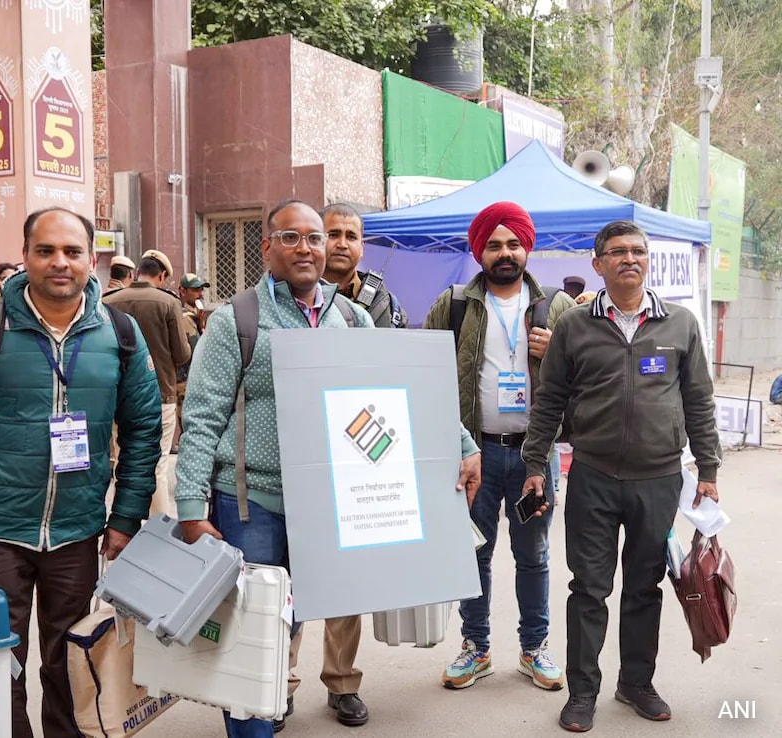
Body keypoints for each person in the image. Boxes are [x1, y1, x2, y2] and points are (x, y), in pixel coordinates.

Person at [174, 200, 481, 737]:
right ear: (267, 246)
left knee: (313, 611)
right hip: (254, 504)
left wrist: (462, 443)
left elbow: (402, 389)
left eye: (315, 238)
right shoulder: (237, 320)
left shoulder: (351, 317)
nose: (307, 248)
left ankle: (335, 687)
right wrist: (190, 507)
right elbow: (200, 418)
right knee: (255, 633)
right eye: (291, 238)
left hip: (333, 503)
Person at [0, 207, 162, 738]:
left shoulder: (119, 333)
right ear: (25, 256)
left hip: (76, 530)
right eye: (45, 250)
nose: (59, 263)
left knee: (68, 663)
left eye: (72, 252)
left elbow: (143, 432)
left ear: (91, 260)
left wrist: (126, 517)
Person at [520, 220, 721, 733]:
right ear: (598, 263)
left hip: (658, 479)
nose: (629, 259)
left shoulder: (680, 324)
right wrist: (534, 463)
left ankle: (636, 683)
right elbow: (551, 400)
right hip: (593, 476)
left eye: (638, 251)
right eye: (617, 252)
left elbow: (698, 400)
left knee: (644, 587)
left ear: (647, 260)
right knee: (588, 588)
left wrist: (709, 468)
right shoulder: (576, 326)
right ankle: (582, 692)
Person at [423, 201, 575, 693]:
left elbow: (590, 378)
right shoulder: (455, 304)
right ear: (479, 251)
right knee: (475, 554)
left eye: (513, 243)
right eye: (494, 245)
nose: (504, 253)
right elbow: (425, 372)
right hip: (476, 454)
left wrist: (556, 357)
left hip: (536, 456)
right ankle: (476, 647)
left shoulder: (559, 308)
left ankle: (534, 649)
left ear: (527, 248)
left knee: (534, 556)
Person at [282, 202, 412, 728]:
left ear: (361, 245)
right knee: (283, 583)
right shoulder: (276, 296)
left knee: (345, 583)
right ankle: (280, 682)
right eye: (327, 234)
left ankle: (341, 683)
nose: (337, 243)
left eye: (348, 235)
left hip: (358, 458)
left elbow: (402, 373)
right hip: (291, 459)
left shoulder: (379, 300)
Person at [104, 250, 192, 515]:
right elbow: (182, 354)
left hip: (119, 398)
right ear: (162, 275)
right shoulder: (166, 302)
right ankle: (157, 537)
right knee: (158, 467)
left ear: (136, 272)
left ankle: (123, 528)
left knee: (123, 463)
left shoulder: (109, 300)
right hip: (160, 395)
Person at [322, 202, 408, 329]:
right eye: (333, 235)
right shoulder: (295, 299)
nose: (342, 244)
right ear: (315, 240)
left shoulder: (389, 307)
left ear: (362, 247)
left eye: (351, 237)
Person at [174, 273, 209, 452]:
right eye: (195, 290)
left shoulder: (193, 315)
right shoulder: (185, 317)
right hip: (185, 381)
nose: (200, 294)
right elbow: (195, 352)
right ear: (182, 291)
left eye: (201, 289)